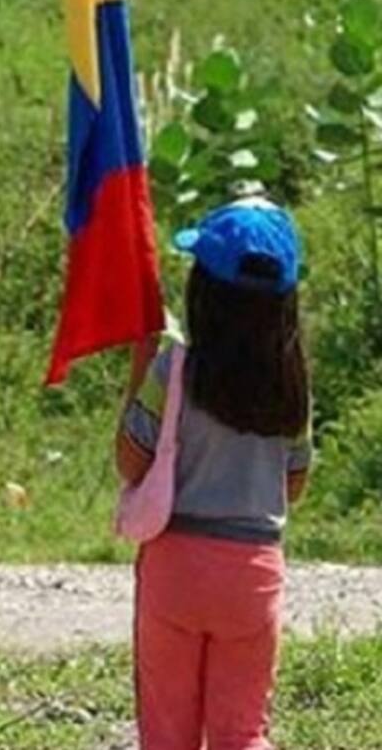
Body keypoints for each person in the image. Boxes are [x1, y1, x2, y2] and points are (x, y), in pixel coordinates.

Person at [117, 199, 312, 750]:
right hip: (253, 574)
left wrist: (140, 366)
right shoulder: (293, 388)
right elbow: (293, 485)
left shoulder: (172, 369)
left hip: (175, 568)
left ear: (203, 293)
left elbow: (131, 461)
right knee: (242, 733)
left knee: (167, 734)